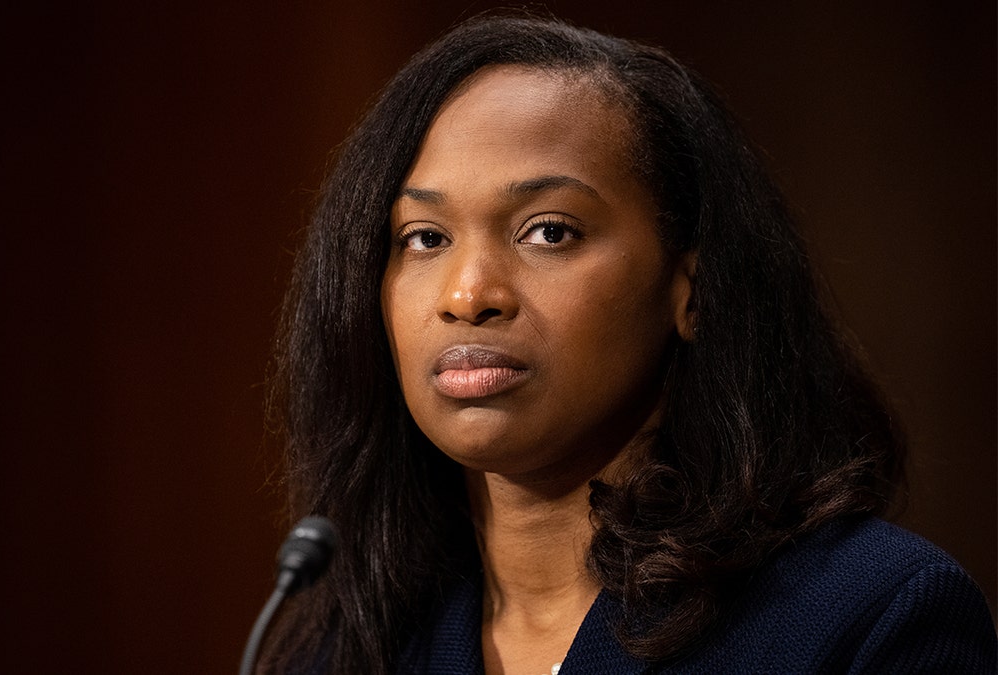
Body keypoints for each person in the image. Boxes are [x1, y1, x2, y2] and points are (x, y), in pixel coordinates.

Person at [263, 12, 996, 674]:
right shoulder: (343, 650)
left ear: (692, 289)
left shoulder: (868, 620)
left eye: (549, 231)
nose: (468, 295)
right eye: (424, 238)